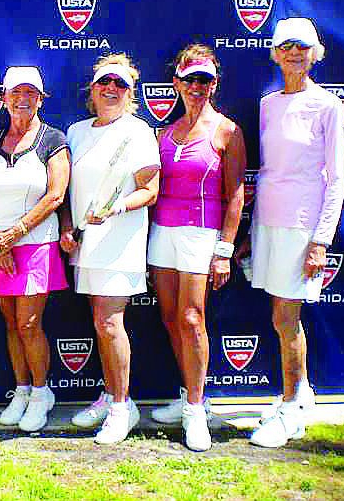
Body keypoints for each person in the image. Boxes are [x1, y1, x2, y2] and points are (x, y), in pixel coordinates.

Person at [237, 18, 344, 448]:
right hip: (267, 223)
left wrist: (321, 240)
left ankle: (289, 412)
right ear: (275, 54)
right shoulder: (267, 104)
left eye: (302, 47)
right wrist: (250, 230)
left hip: (303, 229)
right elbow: (269, 172)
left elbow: (336, 179)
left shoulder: (328, 106)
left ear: (314, 53)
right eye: (286, 47)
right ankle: (301, 393)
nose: (294, 54)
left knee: (286, 317)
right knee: (281, 318)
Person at [146, 45, 246, 451]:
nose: (196, 87)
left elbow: (236, 194)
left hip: (201, 236)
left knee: (192, 318)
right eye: (190, 80)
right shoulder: (163, 133)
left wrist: (224, 249)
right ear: (177, 84)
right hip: (162, 234)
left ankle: (196, 410)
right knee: (170, 317)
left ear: (214, 84)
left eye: (204, 80)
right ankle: (188, 393)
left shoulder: (228, 131)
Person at [60, 53, 161, 444]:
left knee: (109, 322)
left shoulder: (139, 131)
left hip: (121, 242)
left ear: (131, 92)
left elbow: (149, 191)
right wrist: (69, 227)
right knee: (99, 323)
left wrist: (115, 207)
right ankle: (110, 395)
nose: (112, 90)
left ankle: (122, 407)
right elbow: (67, 190)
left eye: (120, 84)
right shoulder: (77, 131)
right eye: (105, 83)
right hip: (86, 244)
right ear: (93, 90)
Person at [0, 67, 70, 432]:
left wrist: (14, 234)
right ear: (3, 98)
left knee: (30, 324)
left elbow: (56, 195)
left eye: (31, 93)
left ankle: (42, 393)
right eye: (16, 93)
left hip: (36, 244)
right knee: (11, 324)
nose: (23, 99)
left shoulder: (53, 140)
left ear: (41, 99)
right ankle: (23, 389)